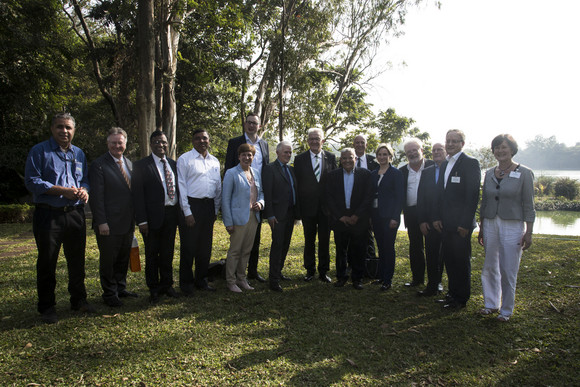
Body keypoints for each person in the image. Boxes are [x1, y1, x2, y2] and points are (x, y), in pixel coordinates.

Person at [24, 112, 96, 323]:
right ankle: (47, 307)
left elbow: (84, 180)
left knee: (77, 260)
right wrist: (61, 190)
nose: (64, 131)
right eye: (60, 127)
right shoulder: (39, 151)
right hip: (49, 215)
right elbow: (32, 181)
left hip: (75, 214)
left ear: (74, 130)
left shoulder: (79, 153)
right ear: (52, 129)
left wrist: (84, 190)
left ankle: (79, 300)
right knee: (47, 261)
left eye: (68, 128)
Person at [478, 134, 535, 322]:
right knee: (489, 266)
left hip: (513, 224)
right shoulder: (489, 173)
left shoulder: (525, 173)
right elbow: (485, 201)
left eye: (504, 147)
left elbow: (529, 204)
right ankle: (491, 303)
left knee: (508, 268)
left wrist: (529, 231)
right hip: (490, 223)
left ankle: (506, 309)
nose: (500, 151)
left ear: (512, 149)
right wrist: (481, 226)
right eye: (496, 147)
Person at [433, 129, 481, 310]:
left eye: (455, 141)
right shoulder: (445, 164)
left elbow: (472, 195)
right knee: (449, 260)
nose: (450, 144)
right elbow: (440, 194)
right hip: (445, 223)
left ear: (462, 143)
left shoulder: (470, 163)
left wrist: (465, 223)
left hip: (461, 224)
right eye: (448, 141)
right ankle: (451, 294)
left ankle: (461, 298)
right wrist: (436, 217)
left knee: (461, 261)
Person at [89, 127, 137, 307]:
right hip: (108, 223)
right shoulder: (99, 165)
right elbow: (97, 197)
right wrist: (101, 222)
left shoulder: (130, 164)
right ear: (108, 144)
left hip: (127, 221)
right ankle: (109, 293)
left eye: (120, 142)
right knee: (109, 259)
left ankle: (120, 288)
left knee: (123, 257)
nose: (117, 145)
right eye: (113, 143)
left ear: (125, 143)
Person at [132, 131, 180, 304]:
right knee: (152, 254)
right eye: (157, 142)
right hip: (151, 218)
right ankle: (153, 288)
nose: (161, 145)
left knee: (167, 252)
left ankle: (167, 285)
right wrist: (142, 220)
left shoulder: (174, 164)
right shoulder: (141, 166)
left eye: (164, 142)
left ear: (168, 144)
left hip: (171, 214)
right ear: (151, 144)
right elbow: (137, 195)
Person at [224, 113, 270, 283]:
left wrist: (261, 202)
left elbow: (265, 172)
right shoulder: (234, 143)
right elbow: (228, 170)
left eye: (255, 123)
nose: (252, 126)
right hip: (238, 202)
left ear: (259, 126)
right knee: (236, 247)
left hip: (255, 204)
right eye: (249, 123)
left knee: (252, 244)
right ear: (245, 124)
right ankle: (231, 278)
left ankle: (250, 273)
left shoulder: (264, 145)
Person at [177, 129, 222, 294]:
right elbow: (181, 186)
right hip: (191, 206)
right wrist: (187, 211)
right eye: (198, 139)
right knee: (189, 247)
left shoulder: (215, 161)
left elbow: (218, 187)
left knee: (205, 247)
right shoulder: (185, 159)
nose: (201, 141)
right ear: (193, 141)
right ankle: (186, 284)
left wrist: (215, 209)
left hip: (208, 207)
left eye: (205, 138)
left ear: (209, 140)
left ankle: (201, 280)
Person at [326, 148, 373, 290]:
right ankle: (341, 277)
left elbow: (368, 197)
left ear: (356, 159)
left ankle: (357, 278)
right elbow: (329, 198)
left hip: (359, 219)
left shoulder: (366, 175)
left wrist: (357, 215)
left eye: (350, 158)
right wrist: (341, 216)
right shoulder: (332, 176)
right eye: (344, 158)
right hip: (340, 219)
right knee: (341, 250)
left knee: (359, 249)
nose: (347, 161)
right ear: (340, 160)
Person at [293, 128, 337, 283]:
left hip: (326, 209)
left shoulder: (331, 157)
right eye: (311, 139)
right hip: (308, 208)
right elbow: (297, 185)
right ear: (307, 141)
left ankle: (323, 271)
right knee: (309, 240)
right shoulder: (299, 159)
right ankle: (310, 270)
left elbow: (334, 184)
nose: (314, 141)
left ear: (322, 141)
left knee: (324, 241)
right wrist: (298, 210)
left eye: (317, 138)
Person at [222, 144, 265, 293]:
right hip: (237, 219)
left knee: (246, 250)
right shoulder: (231, 173)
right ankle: (231, 281)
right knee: (235, 250)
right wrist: (228, 222)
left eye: (250, 155)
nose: (247, 158)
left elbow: (261, 194)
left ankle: (241, 278)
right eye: (244, 155)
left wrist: (260, 203)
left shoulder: (256, 173)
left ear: (253, 157)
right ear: (239, 156)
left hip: (253, 217)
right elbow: (225, 200)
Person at [262, 140, 300, 292]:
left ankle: (279, 272)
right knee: (277, 245)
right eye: (285, 152)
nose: (288, 155)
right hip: (277, 215)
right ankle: (273, 280)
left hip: (290, 213)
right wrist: (269, 214)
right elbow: (268, 193)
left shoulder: (291, 170)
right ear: (277, 152)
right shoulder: (270, 169)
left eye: (290, 152)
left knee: (285, 244)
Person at [400, 138, 434, 287]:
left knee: (433, 248)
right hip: (411, 213)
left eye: (415, 150)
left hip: (430, 213)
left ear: (422, 150)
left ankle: (435, 281)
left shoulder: (434, 166)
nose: (412, 153)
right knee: (415, 247)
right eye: (409, 152)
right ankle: (417, 279)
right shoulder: (402, 171)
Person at [370, 144, 404, 291]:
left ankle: (388, 279)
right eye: (379, 154)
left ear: (390, 156)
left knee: (388, 247)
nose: (382, 157)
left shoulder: (396, 173)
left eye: (385, 154)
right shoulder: (373, 173)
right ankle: (381, 276)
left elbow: (399, 197)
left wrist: (395, 217)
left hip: (390, 216)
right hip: (376, 215)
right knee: (380, 246)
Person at [416, 142, 447, 296]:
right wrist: (422, 221)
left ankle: (445, 286)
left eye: (439, 149)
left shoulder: (451, 169)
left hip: (448, 221)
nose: (436, 152)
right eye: (434, 150)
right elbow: (420, 198)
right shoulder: (427, 172)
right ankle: (432, 285)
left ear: (446, 151)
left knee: (448, 256)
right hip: (429, 222)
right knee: (432, 255)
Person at [353, 134, 379, 266]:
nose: (359, 145)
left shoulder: (374, 161)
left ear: (366, 145)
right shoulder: (347, 159)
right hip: (352, 206)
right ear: (353, 145)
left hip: (369, 206)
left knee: (369, 236)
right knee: (352, 237)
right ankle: (352, 264)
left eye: (362, 142)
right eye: (357, 142)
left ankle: (370, 265)